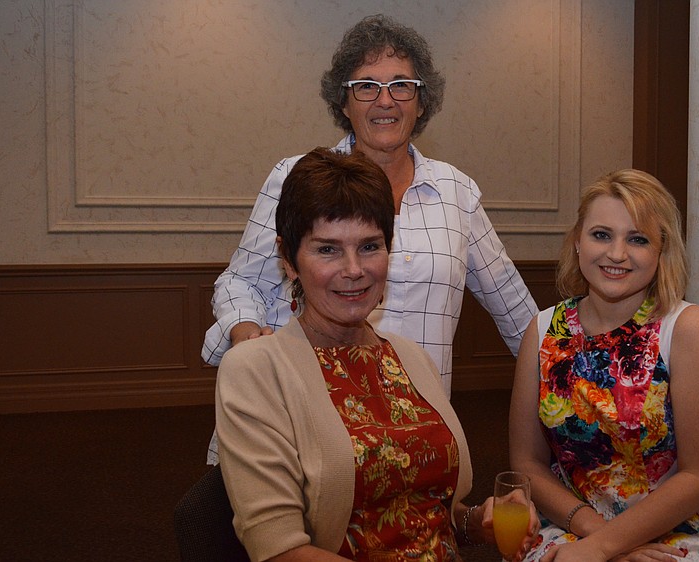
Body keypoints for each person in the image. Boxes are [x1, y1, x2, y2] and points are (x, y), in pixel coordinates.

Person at [202, 15, 537, 465]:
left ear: (421, 102)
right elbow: (239, 283)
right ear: (344, 101)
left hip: (413, 432)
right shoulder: (294, 177)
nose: (386, 101)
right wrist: (248, 340)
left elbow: (522, 319)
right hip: (302, 425)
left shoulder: (456, 192)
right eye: (366, 86)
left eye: (402, 85)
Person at [215, 147, 537, 562]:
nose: (354, 269)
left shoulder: (410, 359)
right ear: (288, 260)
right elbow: (279, 550)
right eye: (328, 249)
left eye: (370, 246)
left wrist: (477, 521)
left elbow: (425, 507)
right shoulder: (256, 369)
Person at [509, 169, 699, 562]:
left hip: (683, 520)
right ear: (577, 242)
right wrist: (598, 540)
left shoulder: (689, 328)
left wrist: (603, 547)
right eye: (601, 235)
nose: (617, 254)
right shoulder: (543, 330)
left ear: (661, 250)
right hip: (574, 519)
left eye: (638, 239)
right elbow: (527, 463)